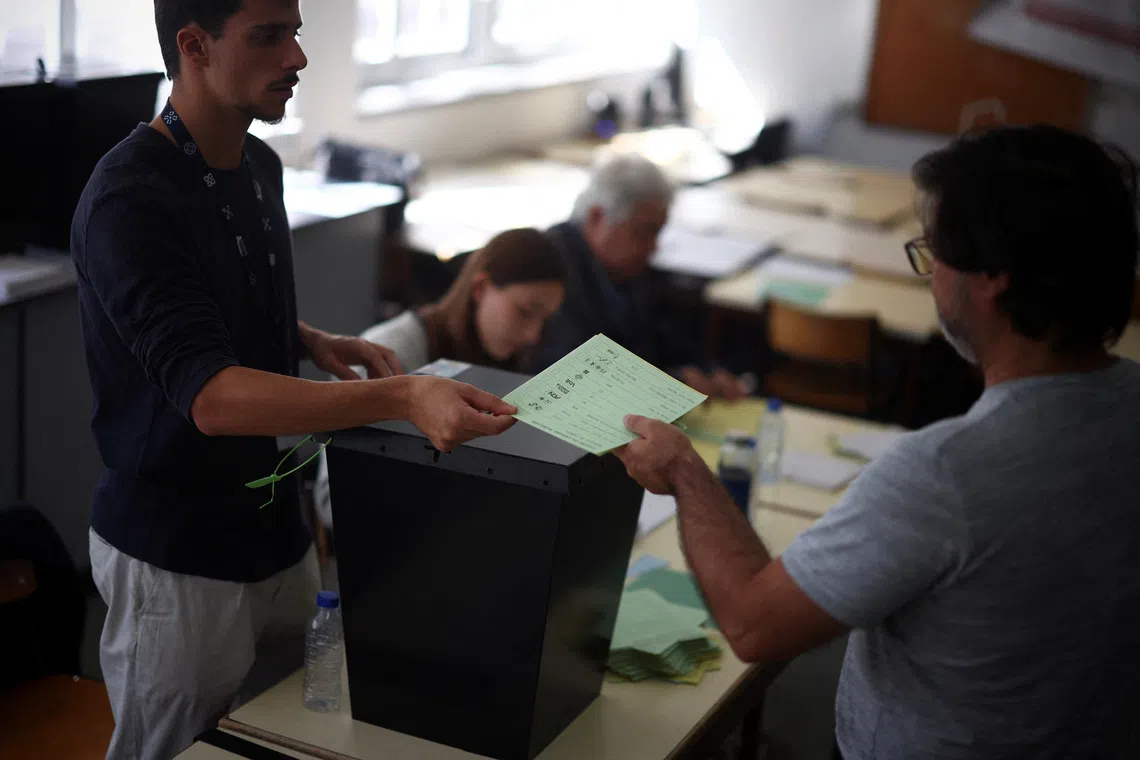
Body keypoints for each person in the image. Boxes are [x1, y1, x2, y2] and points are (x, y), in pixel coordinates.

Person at [71, 2, 515, 758]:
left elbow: (214, 305)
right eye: (270, 35)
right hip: (177, 557)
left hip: (274, 532)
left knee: (285, 739)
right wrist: (403, 394)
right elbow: (212, 397)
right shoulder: (130, 198)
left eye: (297, 31)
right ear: (194, 47)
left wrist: (307, 339)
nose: (300, 57)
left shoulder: (257, 163)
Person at [613, 126, 1140, 759]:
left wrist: (683, 470)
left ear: (994, 277)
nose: (929, 276)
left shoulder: (945, 474)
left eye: (932, 252)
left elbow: (754, 624)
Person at [313, 227, 567, 527]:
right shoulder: (387, 353)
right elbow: (332, 500)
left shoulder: (509, 360)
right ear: (481, 288)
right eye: (526, 312)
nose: (533, 335)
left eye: (544, 320)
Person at [533, 154, 749, 399]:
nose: (654, 247)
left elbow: (666, 338)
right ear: (597, 217)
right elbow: (575, 374)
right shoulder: (549, 270)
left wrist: (706, 371)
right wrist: (672, 383)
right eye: (644, 232)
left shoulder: (628, 267)